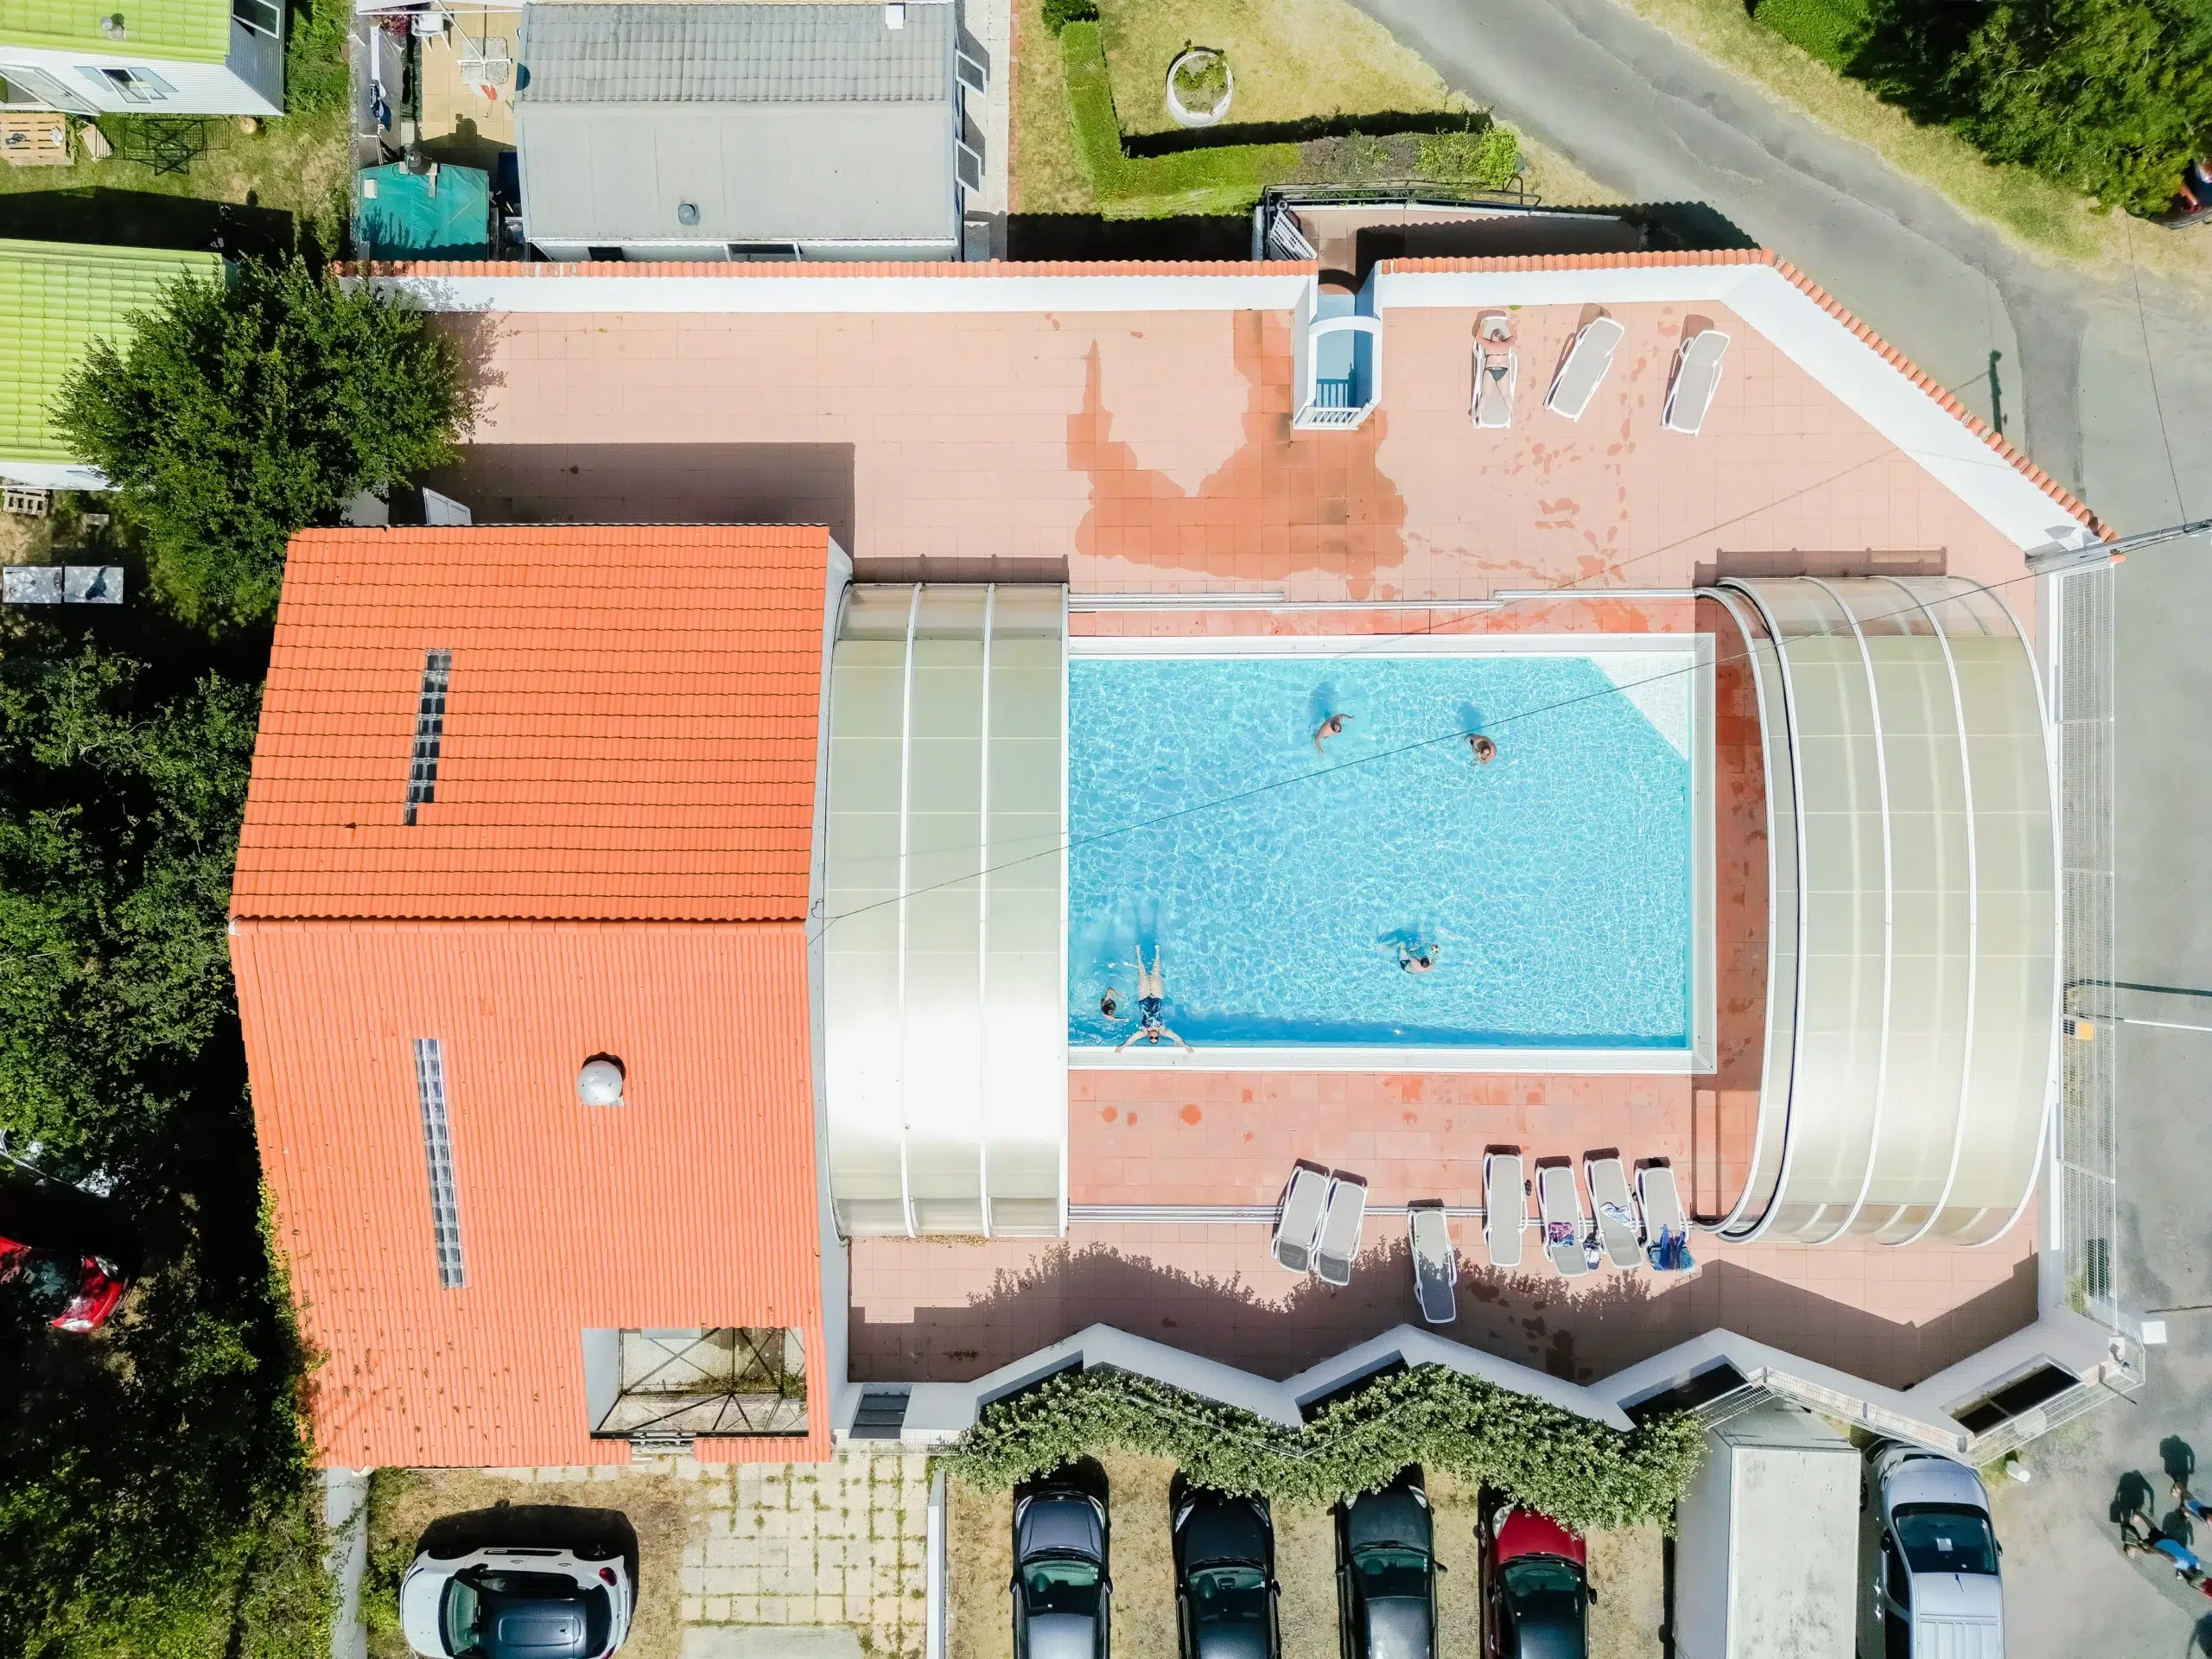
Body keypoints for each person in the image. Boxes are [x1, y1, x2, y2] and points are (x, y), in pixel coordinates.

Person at [1117, 945, 1191, 1050]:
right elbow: (1176, 1038)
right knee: (1156, 973)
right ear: (1158, 1036)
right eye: (1155, 1038)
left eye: (1151, 1038)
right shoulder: (1163, 1030)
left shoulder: (1144, 1031)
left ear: (1148, 1036)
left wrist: (1123, 1047)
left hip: (1143, 998)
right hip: (1157, 997)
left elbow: (1133, 1039)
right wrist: (1186, 1046)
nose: (1153, 1035)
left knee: (1142, 973)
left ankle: (1138, 953)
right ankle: (1157, 951)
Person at [2121, 1510, 2202, 1576]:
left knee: (2153, 1528)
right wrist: (2151, 1548)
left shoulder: (2197, 1564)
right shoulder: (2178, 1563)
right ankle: (2131, 1546)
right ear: (2188, 1572)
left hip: (2171, 1541)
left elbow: (2194, 1557)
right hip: (2160, 1544)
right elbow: (2163, 1553)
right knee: (2146, 1550)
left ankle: (2139, 1513)